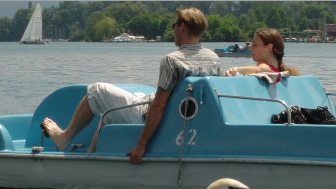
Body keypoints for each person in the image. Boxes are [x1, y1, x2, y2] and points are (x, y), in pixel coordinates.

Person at [41, 7, 221, 164]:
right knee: (109, 116)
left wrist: (141, 145)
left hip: (148, 116)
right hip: (181, 120)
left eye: (174, 25)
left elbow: (158, 107)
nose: (173, 29)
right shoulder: (214, 59)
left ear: (182, 27)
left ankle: (64, 138)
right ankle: (92, 156)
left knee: (96, 91)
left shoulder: (173, 61)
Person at [223, 28, 300, 78]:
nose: (250, 47)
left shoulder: (266, 68)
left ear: (269, 47)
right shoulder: (280, 73)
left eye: (255, 44)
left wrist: (236, 69)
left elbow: (260, 69)